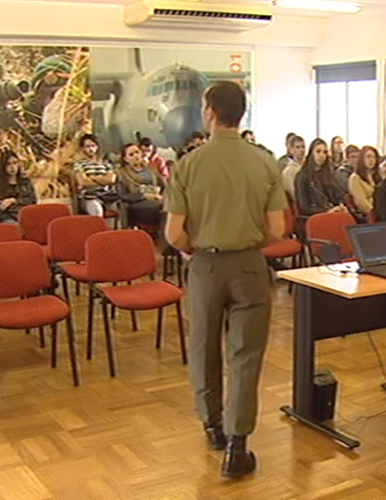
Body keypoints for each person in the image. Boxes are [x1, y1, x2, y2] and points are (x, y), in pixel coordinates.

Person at [165, 81, 285, 479]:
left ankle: (212, 425)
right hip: (250, 266)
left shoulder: (187, 164)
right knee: (246, 356)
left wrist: (195, 249)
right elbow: (277, 230)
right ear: (242, 114)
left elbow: (173, 234)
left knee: (203, 347)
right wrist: (248, 241)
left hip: (206, 267)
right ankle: (238, 445)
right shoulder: (266, 162)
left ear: (210, 112)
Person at [294, 138, 347, 217]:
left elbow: (339, 196)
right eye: (318, 151)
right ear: (311, 153)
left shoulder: (329, 175)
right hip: (316, 217)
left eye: (325, 152)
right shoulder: (302, 176)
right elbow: (305, 207)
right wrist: (327, 211)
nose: (321, 155)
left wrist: (341, 206)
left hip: (333, 213)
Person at [117, 143, 165, 229]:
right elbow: (123, 196)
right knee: (163, 208)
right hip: (137, 202)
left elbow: (164, 185)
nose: (136, 156)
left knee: (174, 206)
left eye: (137, 152)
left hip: (157, 198)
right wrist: (144, 196)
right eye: (131, 154)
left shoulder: (151, 169)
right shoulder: (122, 174)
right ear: (125, 159)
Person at [72, 134, 117, 217]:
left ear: (97, 147)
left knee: (123, 208)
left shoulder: (105, 163)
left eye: (93, 146)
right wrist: (103, 180)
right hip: (89, 197)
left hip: (108, 196)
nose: (91, 149)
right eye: (88, 146)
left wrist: (92, 178)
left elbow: (111, 180)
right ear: (83, 148)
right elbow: (83, 182)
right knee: (96, 210)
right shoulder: (79, 164)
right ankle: (99, 230)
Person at [0, 150, 37, 223]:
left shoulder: (25, 181)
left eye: (15, 163)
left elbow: (32, 200)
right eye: (8, 164)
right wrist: (21, 203)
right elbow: (2, 206)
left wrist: (14, 201)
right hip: (8, 217)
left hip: (26, 215)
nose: (12, 167)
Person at [347, 145, 381, 216]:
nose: (371, 160)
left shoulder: (377, 176)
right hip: (370, 215)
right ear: (362, 159)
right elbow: (362, 204)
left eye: (374, 157)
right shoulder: (355, 178)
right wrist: (376, 212)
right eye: (368, 157)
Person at [281, 135, 306, 199]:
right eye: (297, 147)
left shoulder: (308, 167)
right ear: (291, 150)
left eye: (303, 147)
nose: (301, 150)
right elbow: (294, 194)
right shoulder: (289, 171)